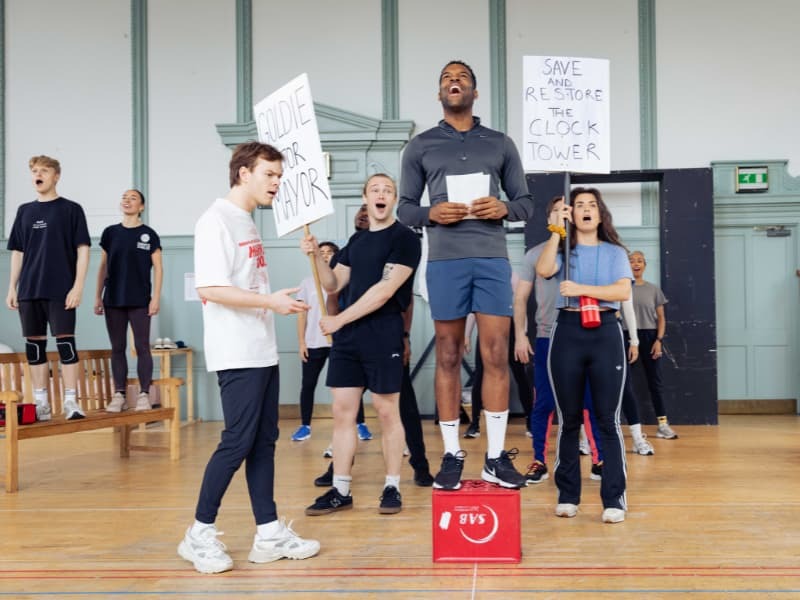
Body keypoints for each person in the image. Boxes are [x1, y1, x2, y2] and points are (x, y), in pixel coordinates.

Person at [178, 142, 319, 574]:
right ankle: (198, 533)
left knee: (263, 442)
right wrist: (270, 303)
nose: (277, 183)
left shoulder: (247, 221)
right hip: (236, 351)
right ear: (243, 173)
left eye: (279, 176)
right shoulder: (214, 220)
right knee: (237, 440)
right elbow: (211, 289)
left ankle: (269, 532)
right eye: (269, 175)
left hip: (260, 349)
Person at [398, 60, 534, 490]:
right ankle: (453, 454)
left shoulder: (500, 143)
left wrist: (506, 209)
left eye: (462, 78)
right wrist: (430, 213)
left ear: (475, 92)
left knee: (495, 353)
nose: (453, 82)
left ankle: (495, 457)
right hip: (445, 260)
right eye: (446, 78)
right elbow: (404, 209)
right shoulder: (420, 146)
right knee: (449, 354)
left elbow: (526, 202)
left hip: (491, 258)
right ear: (439, 93)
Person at [303, 173, 421, 516]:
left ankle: (392, 486)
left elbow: (384, 291)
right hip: (349, 339)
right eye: (375, 190)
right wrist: (315, 257)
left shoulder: (406, 239)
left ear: (394, 198)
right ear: (365, 198)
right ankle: (340, 489)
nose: (381, 195)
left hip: (383, 331)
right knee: (342, 413)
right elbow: (334, 283)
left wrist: (339, 320)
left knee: (387, 411)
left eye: (387, 190)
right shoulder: (357, 240)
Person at [536, 187, 633, 524]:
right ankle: (567, 496)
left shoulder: (615, 252)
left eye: (592, 204)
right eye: (578, 206)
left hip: (606, 332)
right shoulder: (564, 250)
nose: (586, 209)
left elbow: (622, 291)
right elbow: (545, 270)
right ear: (571, 214)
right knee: (569, 419)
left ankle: (614, 499)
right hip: (568, 330)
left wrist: (581, 290)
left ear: (600, 213)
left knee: (608, 419)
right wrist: (555, 231)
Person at [513, 196, 605, 483]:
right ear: (549, 218)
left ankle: (599, 459)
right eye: (557, 210)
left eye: (569, 209)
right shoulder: (535, 254)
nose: (564, 214)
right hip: (547, 336)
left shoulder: (590, 251)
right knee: (544, 403)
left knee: (590, 402)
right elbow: (520, 298)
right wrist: (519, 334)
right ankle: (539, 461)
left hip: (586, 333)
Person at [6, 155, 90, 421]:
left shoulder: (71, 209)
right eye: (33, 171)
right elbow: (18, 252)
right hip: (29, 290)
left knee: (66, 346)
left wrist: (77, 287)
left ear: (56, 176)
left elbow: (83, 250)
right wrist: (11, 287)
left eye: (43, 170)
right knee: (35, 348)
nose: (37, 175)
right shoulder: (24, 211)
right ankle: (41, 403)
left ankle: (70, 402)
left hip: (61, 289)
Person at [94, 189, 163, 412]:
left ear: (141, 207)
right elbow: (103, 267)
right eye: (124, 197)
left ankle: (144, 394)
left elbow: (159, 269)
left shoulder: (149, 235)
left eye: (133, 198)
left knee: (142, 346)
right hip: (113, 298)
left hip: (140, 299)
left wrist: (155, 299)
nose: (127, 200)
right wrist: (97, 296)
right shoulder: (110, 233)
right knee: (118, 347)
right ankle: (119, 395)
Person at [290, 241, 339, 441]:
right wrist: (302, 342)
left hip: (337, 342)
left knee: (347, 386)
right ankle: (305, 426)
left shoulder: (340, 280)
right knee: (308, 385)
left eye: (330, 252)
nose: (326, 255)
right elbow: (301, 315)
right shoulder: (307, 282)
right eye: (322, 252)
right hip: (314, 342)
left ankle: (360, 424)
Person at [625, 250, 677, 439]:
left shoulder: (653, 289)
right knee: (623, 383)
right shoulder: (621, 288)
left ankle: (663, 425)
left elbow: (661, 318)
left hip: (649, 337)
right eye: (631, 261)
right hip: (625, 337)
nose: (636, 264)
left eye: (640, 261)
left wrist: (658, 341)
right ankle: (629, 427)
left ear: (645, 265)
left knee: (655, 382)